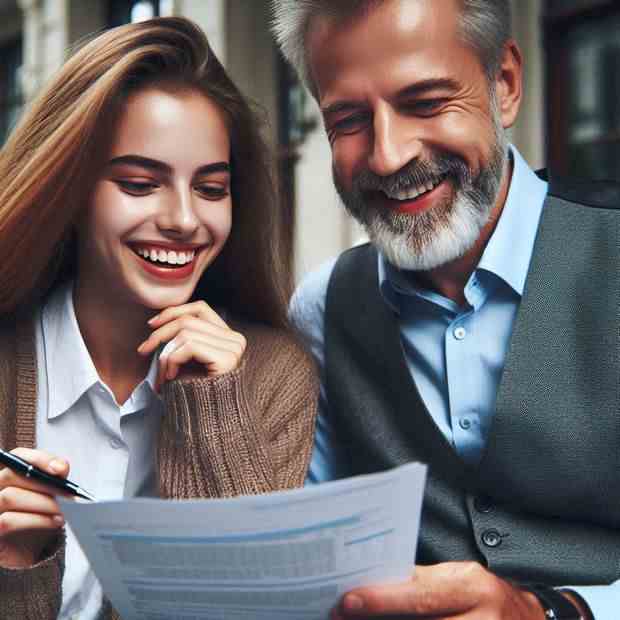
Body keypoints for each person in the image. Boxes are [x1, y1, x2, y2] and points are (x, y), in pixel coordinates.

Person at [273, 1, 619, 618]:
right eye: (348, 121)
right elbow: (307, 564)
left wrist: (556, 612)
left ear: (505, 85)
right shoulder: (323, 309)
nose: (387, 156)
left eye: (426, 103)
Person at [0, 17, 317, 619]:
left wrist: (217, 418)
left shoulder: (276, 375)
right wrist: (14, 570)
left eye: (211, 189)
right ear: (70, 190)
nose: (183, 219)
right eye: (141, 183)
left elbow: (259, 607)